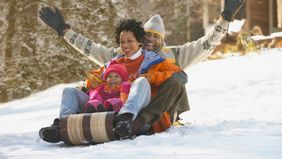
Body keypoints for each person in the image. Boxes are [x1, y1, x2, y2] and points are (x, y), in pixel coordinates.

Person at [39, 0, 244, 140]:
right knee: (78, 89)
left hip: (156, 108)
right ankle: (63, 125)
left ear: (163, 39)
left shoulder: (172, 56)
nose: (151, 40)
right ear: (140, 38)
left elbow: (205, 44)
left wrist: (225, 19)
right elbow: (91, 48)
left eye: (156, 36)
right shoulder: (122, 53)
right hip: (119, 102)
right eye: (147, 36)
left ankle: (138, 122)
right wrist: (65, 32)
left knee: (175, 81)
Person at [39, 19, 181, 143]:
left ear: (139, 41)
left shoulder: (153, 60)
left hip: (138, 110)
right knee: (69, 91)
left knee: (141, 82)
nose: (125, 45)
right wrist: (91, 80)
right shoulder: (114, 62)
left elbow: (178, 74)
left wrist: (152, 76)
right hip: (108, 105)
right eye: (122, 42)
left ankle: (125, 118)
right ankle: (62, 125)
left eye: (130, 41)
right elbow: (96, 77)